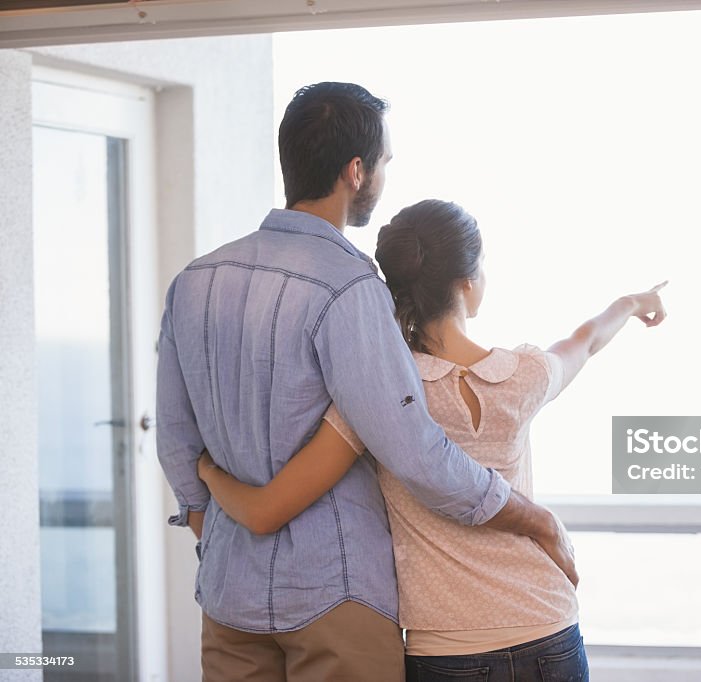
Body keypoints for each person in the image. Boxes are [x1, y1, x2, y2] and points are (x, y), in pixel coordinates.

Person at [155, 83, 574, 682]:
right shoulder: (350, 287)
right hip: (337, 594)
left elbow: (175, 438)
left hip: (228, 595)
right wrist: (534, 519)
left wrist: (214, 532)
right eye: (383, 162)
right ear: (356, 171)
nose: (383, 174)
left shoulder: (195, 281)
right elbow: (417, 453)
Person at [197, 199, 668, 681]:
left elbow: (266, 510)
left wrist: (208, 472)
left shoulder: (376, 395)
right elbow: (585, 340)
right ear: (467, 282)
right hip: (547, 625)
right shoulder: (524, 376)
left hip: (448, 648)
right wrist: (631, 304)